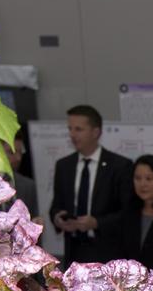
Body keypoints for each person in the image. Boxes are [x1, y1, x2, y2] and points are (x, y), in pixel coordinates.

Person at [48, 105, 131, 264]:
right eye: (70, 129)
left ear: (96, 132)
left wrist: (96, 223)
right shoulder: (64, 166)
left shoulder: (120, 166)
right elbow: (56, 206)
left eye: (78, 129)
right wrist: (58, 218)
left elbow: (128, 213)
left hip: (108, 253)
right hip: (74, 252)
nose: (72, 134)